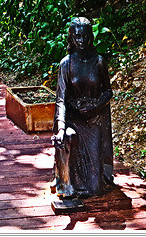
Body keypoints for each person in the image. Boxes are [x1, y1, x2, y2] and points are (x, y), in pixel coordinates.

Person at [52, 17, 114, 200]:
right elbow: (61, 99)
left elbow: (108, 92)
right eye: (77, 36)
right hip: (73, 120)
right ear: (71, 37)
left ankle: (92, 180)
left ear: (91, 37)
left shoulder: (99, 62)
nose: (81, 40)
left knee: (95, 189)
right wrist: (61, 128)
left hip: (94, 122)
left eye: (85, 36)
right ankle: (65, 183)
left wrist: (96, 106)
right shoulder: (66, 64)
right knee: (67, 137)